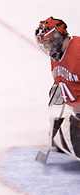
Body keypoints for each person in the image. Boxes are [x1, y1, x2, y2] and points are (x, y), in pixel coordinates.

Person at [35, 16, 80, 159]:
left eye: (48, 43)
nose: (47, 48)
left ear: (57, 37)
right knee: (58, 137)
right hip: (78, 113)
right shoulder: (56, 56)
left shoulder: (78, 50)